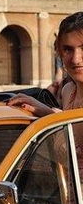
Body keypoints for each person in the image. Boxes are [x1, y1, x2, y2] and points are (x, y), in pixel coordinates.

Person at [7, 11, 83, 175]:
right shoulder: (69, 91)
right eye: (68, 49)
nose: (76, 59)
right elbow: (70, 132)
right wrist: (46, 111)